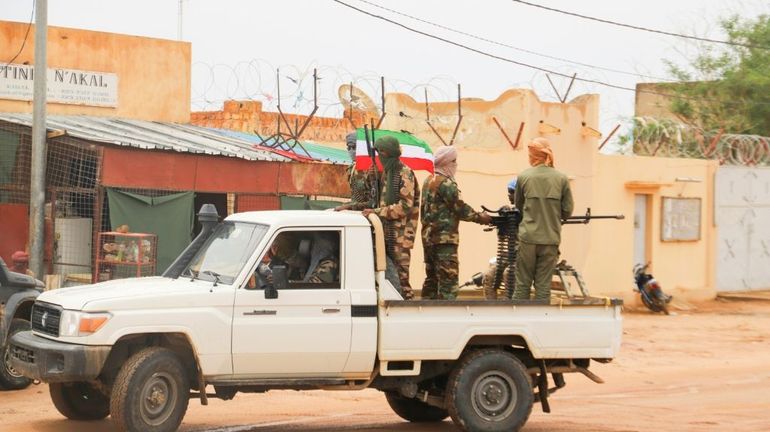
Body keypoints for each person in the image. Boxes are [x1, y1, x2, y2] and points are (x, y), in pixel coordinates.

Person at [420, 146, 491, 300]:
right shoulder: (445, 183)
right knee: (448, 283)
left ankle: (427, 315)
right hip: (444, 241)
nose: (456, 165)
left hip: (428, 239)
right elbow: (459, 208)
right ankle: (446, 318)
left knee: (432, 280)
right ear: (447, 162)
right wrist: (481, 217)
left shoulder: (428, 180)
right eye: (454, 161)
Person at [513, 137, 574, 301]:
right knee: (543, 287)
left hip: (528, 238)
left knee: (522, 285)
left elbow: (518, 205)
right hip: (550, 240)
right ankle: (540, 323)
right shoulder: (561, 178)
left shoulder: (524, 177)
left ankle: (519, 322)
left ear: (532, 156)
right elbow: (567, 211)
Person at [362, 136, 419, 299]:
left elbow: (405, 206)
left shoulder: (404, 173)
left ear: (387, 153)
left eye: (381, 152)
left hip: (400, 235)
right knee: (387, 278)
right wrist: (371, 177)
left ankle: (406, 313)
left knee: (401, 280)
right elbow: (375, 196)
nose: (379, 156)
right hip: (386, 232)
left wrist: (378, 213)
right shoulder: (387, 172)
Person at [335, 132, 374, 211]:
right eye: (349, 148)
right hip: (356, 212)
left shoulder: (372, 170)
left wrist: (350, 206)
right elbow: (355, 198)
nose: (351, 151)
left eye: (354, 147)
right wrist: (348, 205)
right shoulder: (352, 169)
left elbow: (374, 202)